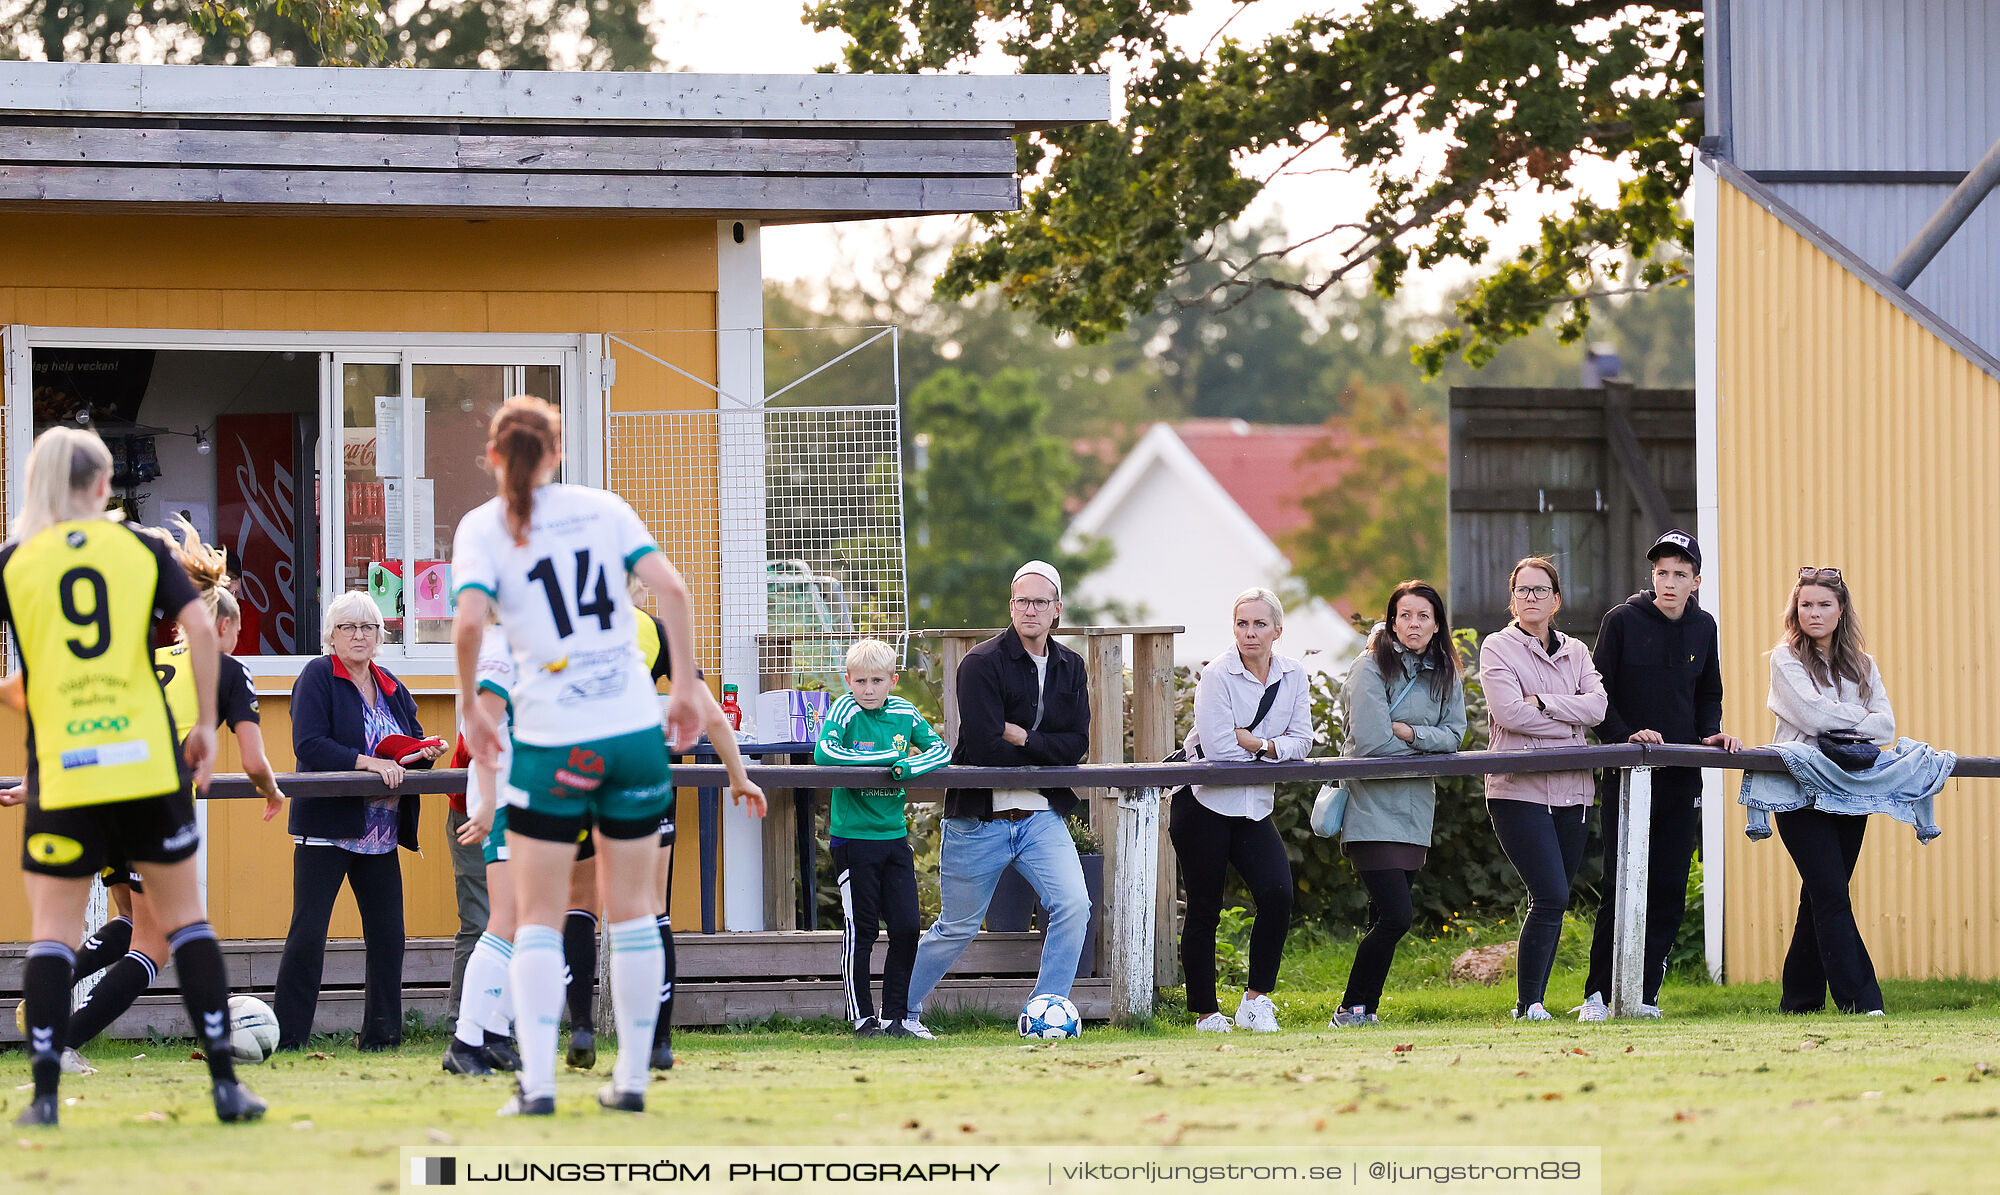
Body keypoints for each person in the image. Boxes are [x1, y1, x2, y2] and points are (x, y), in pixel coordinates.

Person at [454, 395, 718, 1116]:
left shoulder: (483, 526)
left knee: (538, 916)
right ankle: (630, 1079)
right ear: (559, 452)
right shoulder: (603, 507)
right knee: (634, 912)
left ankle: (536, 1085)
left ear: (495, 456)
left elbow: (471, 623)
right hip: (633, 730)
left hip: (553, 735)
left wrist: (472, 708)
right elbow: (672, 588)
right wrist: (687, 686)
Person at [0, 426, 264, 1126]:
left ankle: (46, 1097)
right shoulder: (143, 547)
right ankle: (227, 1089)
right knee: (184, 923)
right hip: (145, 761)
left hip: (66, 769)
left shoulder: (15, 561)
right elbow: (203, 631)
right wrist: (206, 725)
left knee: (53, 932)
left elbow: (19, 679)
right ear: (100, 486)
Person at [59, 518, 288, 1065]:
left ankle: (48, 982)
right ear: (226, 625)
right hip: (151, 806)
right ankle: (60, 1041)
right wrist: (273, 791)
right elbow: (255, 760)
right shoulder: (228, 669)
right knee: (154, 945)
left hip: (98, 795)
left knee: (132, 920)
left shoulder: (151, 661)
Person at [902, 560, 1091, 1039]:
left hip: (1039, 816)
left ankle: (1044, 1014)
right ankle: (897, 1012)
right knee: (957, 927)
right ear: (1011, 607)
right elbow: (985, 745)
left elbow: (1076, 746)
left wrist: (1022, 736)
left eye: (1040, 602)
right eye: (1022, 601)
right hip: (978, 819)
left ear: (1057, 610)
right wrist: (1039, 743)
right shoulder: (981, 663)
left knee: (1073, 904)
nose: (1030, 610)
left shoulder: (1071, 666)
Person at [1577, 530, 1742, 1022]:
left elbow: (1708, 693)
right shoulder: (1621, 621)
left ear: (1696, 580)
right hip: (1627, 773)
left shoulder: (1704, 626)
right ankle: (1598, 996)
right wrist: (1626, 737)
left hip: (1682, 774)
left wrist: (1711, 734)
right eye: (1661, 572)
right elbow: (1597, 695)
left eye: (1680, 574)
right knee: (1621, 881)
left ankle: (1645, 995)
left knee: (1669, 887)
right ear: (1652, 577)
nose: (1669, 582)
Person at [276, 590, 448, 1051]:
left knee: (389, 936)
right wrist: (367, 762)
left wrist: (423, 753)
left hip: (380, 834)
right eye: (348, 627)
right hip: (327, 829)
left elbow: (406, 745)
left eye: (368, 627)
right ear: (331, 636)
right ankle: (287, 1038)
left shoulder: (389, 681)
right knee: (308, 934)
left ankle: (382, 1037)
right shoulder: (317, 675)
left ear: (380, 636)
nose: (358, 635)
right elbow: (309, 745)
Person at [1172, 588, 1312, 1034]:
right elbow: (1218, 750)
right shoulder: (1216, 674)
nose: (1249, 633)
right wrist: (1273, 750)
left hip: (1254, 806)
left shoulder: (1293, 675)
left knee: (1278, 894)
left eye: (1259, 624)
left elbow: (1303, 742)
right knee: (1205, 908)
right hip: (1203, 802)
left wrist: (1260, 744)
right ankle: (1206, 1011)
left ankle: (1255, 1000)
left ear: (1277, 631)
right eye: (1241, 624)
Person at [1329, 580, 1468, 1028]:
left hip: (1415, 813)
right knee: (1396, 916)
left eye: (1423, 616)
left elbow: (1454, 736)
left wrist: (1410, 734)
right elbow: (1370, 744)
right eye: (1405, 615)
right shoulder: (1369, 667)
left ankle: (1365, 1010)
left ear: (1436, 624)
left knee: (1382, 917)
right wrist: (1426, 747)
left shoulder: (1445, 671)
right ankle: (1348, 1007)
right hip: (1370, 809)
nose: (1414, 623)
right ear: (1392, 621)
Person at [1479, 556, 1607, 1022]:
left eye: (1540, 590)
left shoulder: (1577, 651)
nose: (1530, 598)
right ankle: (1528, 1003)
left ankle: (1533, 1001)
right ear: (1512, 600)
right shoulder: (1497, 647)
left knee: (1555, 899)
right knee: (1550, 893)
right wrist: (1566, 720)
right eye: (1522, 591)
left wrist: (1545, 704)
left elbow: (1596, 708)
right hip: (1518, 790)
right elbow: (1510, 714)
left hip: (1574, 792)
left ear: (1556, 600)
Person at [1766, 567, 1894, 1015]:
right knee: (1832, 894)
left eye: (1824, 605)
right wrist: (1856, 717)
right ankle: (1861, 999)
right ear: (1794, 610)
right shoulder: (1784, 659)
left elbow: (1887, 725)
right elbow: (1812, 717)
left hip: (1851, 791)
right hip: (1798, 791)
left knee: (1820, 894)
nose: (1813, 613)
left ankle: (1799, 1001)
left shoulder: (1864, 664)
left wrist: (1839, 715)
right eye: (1805, 605)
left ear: (1841, 611)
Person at [814, 638, 951, 1038]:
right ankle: (862, 1020)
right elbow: (825, 752)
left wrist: (905, 768)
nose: (868, 690)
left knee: (908, 928)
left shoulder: (904, 711)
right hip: (852, 839)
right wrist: (881, 761)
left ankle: (896, 1018)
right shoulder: (844, 708)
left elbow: (939, 751)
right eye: (860, 681)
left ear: (893, 680)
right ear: (848, 681)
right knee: (862, 930)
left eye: (876, 680)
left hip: (893, 837)